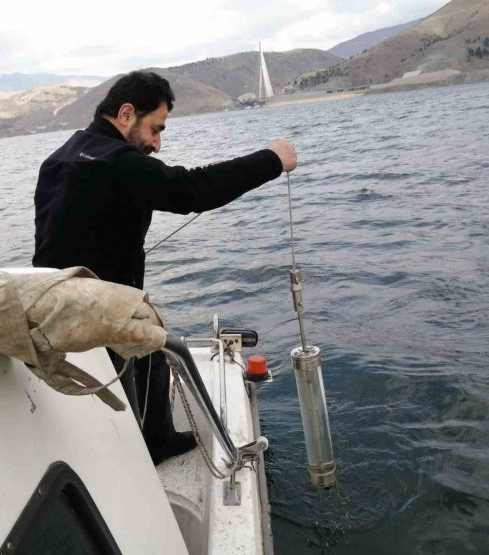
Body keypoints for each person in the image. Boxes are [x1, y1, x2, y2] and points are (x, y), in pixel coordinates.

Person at [33, 70, 297, 465]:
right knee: (146, 339)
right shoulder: (116, 162)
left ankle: (154, 436)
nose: (157, 144)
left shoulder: (61, 157)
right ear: (126, 114)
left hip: (51, 304)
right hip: (95, 315)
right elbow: (192, 188)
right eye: (155, 129)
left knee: (152, 336)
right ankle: (145, 448)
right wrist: (272, 160)